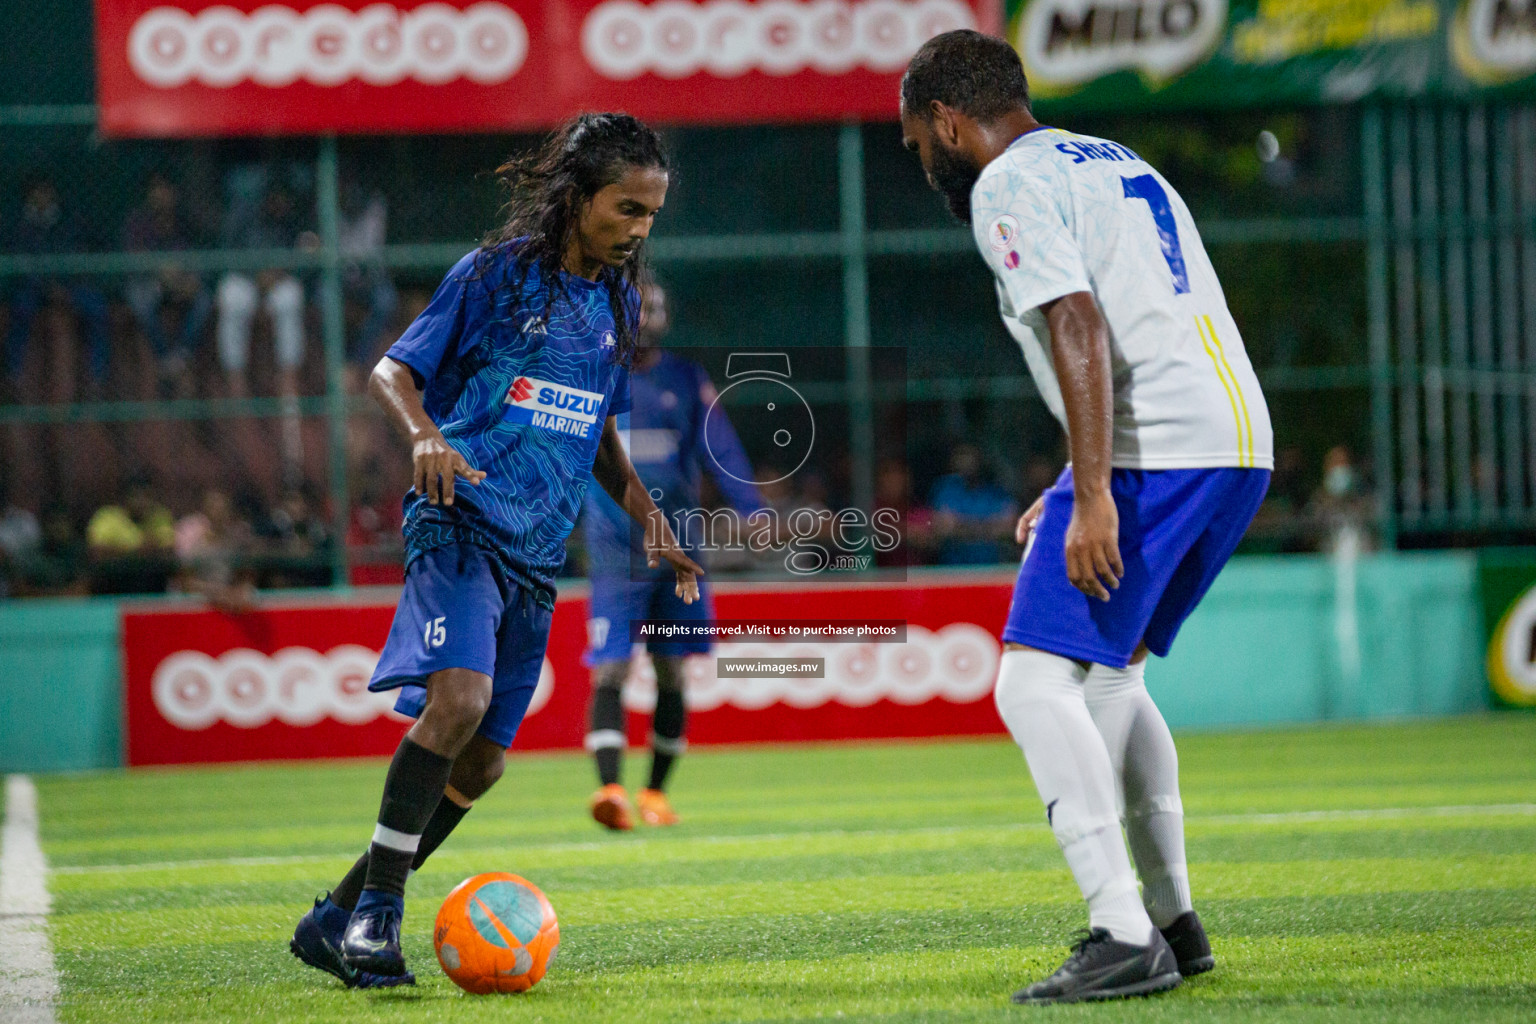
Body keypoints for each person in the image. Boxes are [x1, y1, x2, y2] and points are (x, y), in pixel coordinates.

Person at [900, 31, 1273, 1005]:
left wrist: (1097, 489)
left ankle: (1120, 929)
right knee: (1109, 677)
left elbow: (1078, 320)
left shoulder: (1006, 183)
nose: (923, 162)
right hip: (1235, 440)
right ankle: (1176, 923)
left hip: (1157, 451)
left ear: (948, 120)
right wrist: (1079, 472)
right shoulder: (1112, 158)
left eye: (917, 143)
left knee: (1028, 684)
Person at [288, 112, 701, 988]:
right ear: (579, 197)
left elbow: (593, 427)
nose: (639, 229)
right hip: (460, 520)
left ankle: (333, 914)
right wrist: (424, 436)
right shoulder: (494, 277)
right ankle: (376, 922)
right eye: (626, 209)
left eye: (652, 215)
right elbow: (392, 374)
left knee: (481, 763)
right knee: (460, 702)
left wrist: (645, 514)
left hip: (536, 552)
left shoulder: (615, 303)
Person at [581, 282, 763, 831]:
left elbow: (719, 446)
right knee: (610, 667)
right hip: (617, 552)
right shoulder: (594, 376)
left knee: (672, 672)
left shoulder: (685, 380)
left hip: (681, 545)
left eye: (657, 307)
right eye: (641, 308)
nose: (650, 316)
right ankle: (610, 789)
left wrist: (750, 508)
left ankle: (656, 794)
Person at [121, 173, 212, 387]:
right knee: (141, 301)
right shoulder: (138, 221)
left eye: (166, 189)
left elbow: (197, 257)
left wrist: (190, 279)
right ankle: (165, 358)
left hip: (180, 283)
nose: (161, 195)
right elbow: (135, 259)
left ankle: (181, 353)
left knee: (204, 300)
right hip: (149, 282)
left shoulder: (184, 221)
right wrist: (161, 273)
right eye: (156, 190)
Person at [928, 442, 1019, 564]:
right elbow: (942, 529)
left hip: (991, 570)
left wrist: (961, 526)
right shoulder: (944, 488)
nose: (967, 460)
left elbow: (1008, 530)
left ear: (981, 458)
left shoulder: (997, 492)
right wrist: (988, 527)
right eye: (962, 455)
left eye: (971, 455)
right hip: (951, 571)